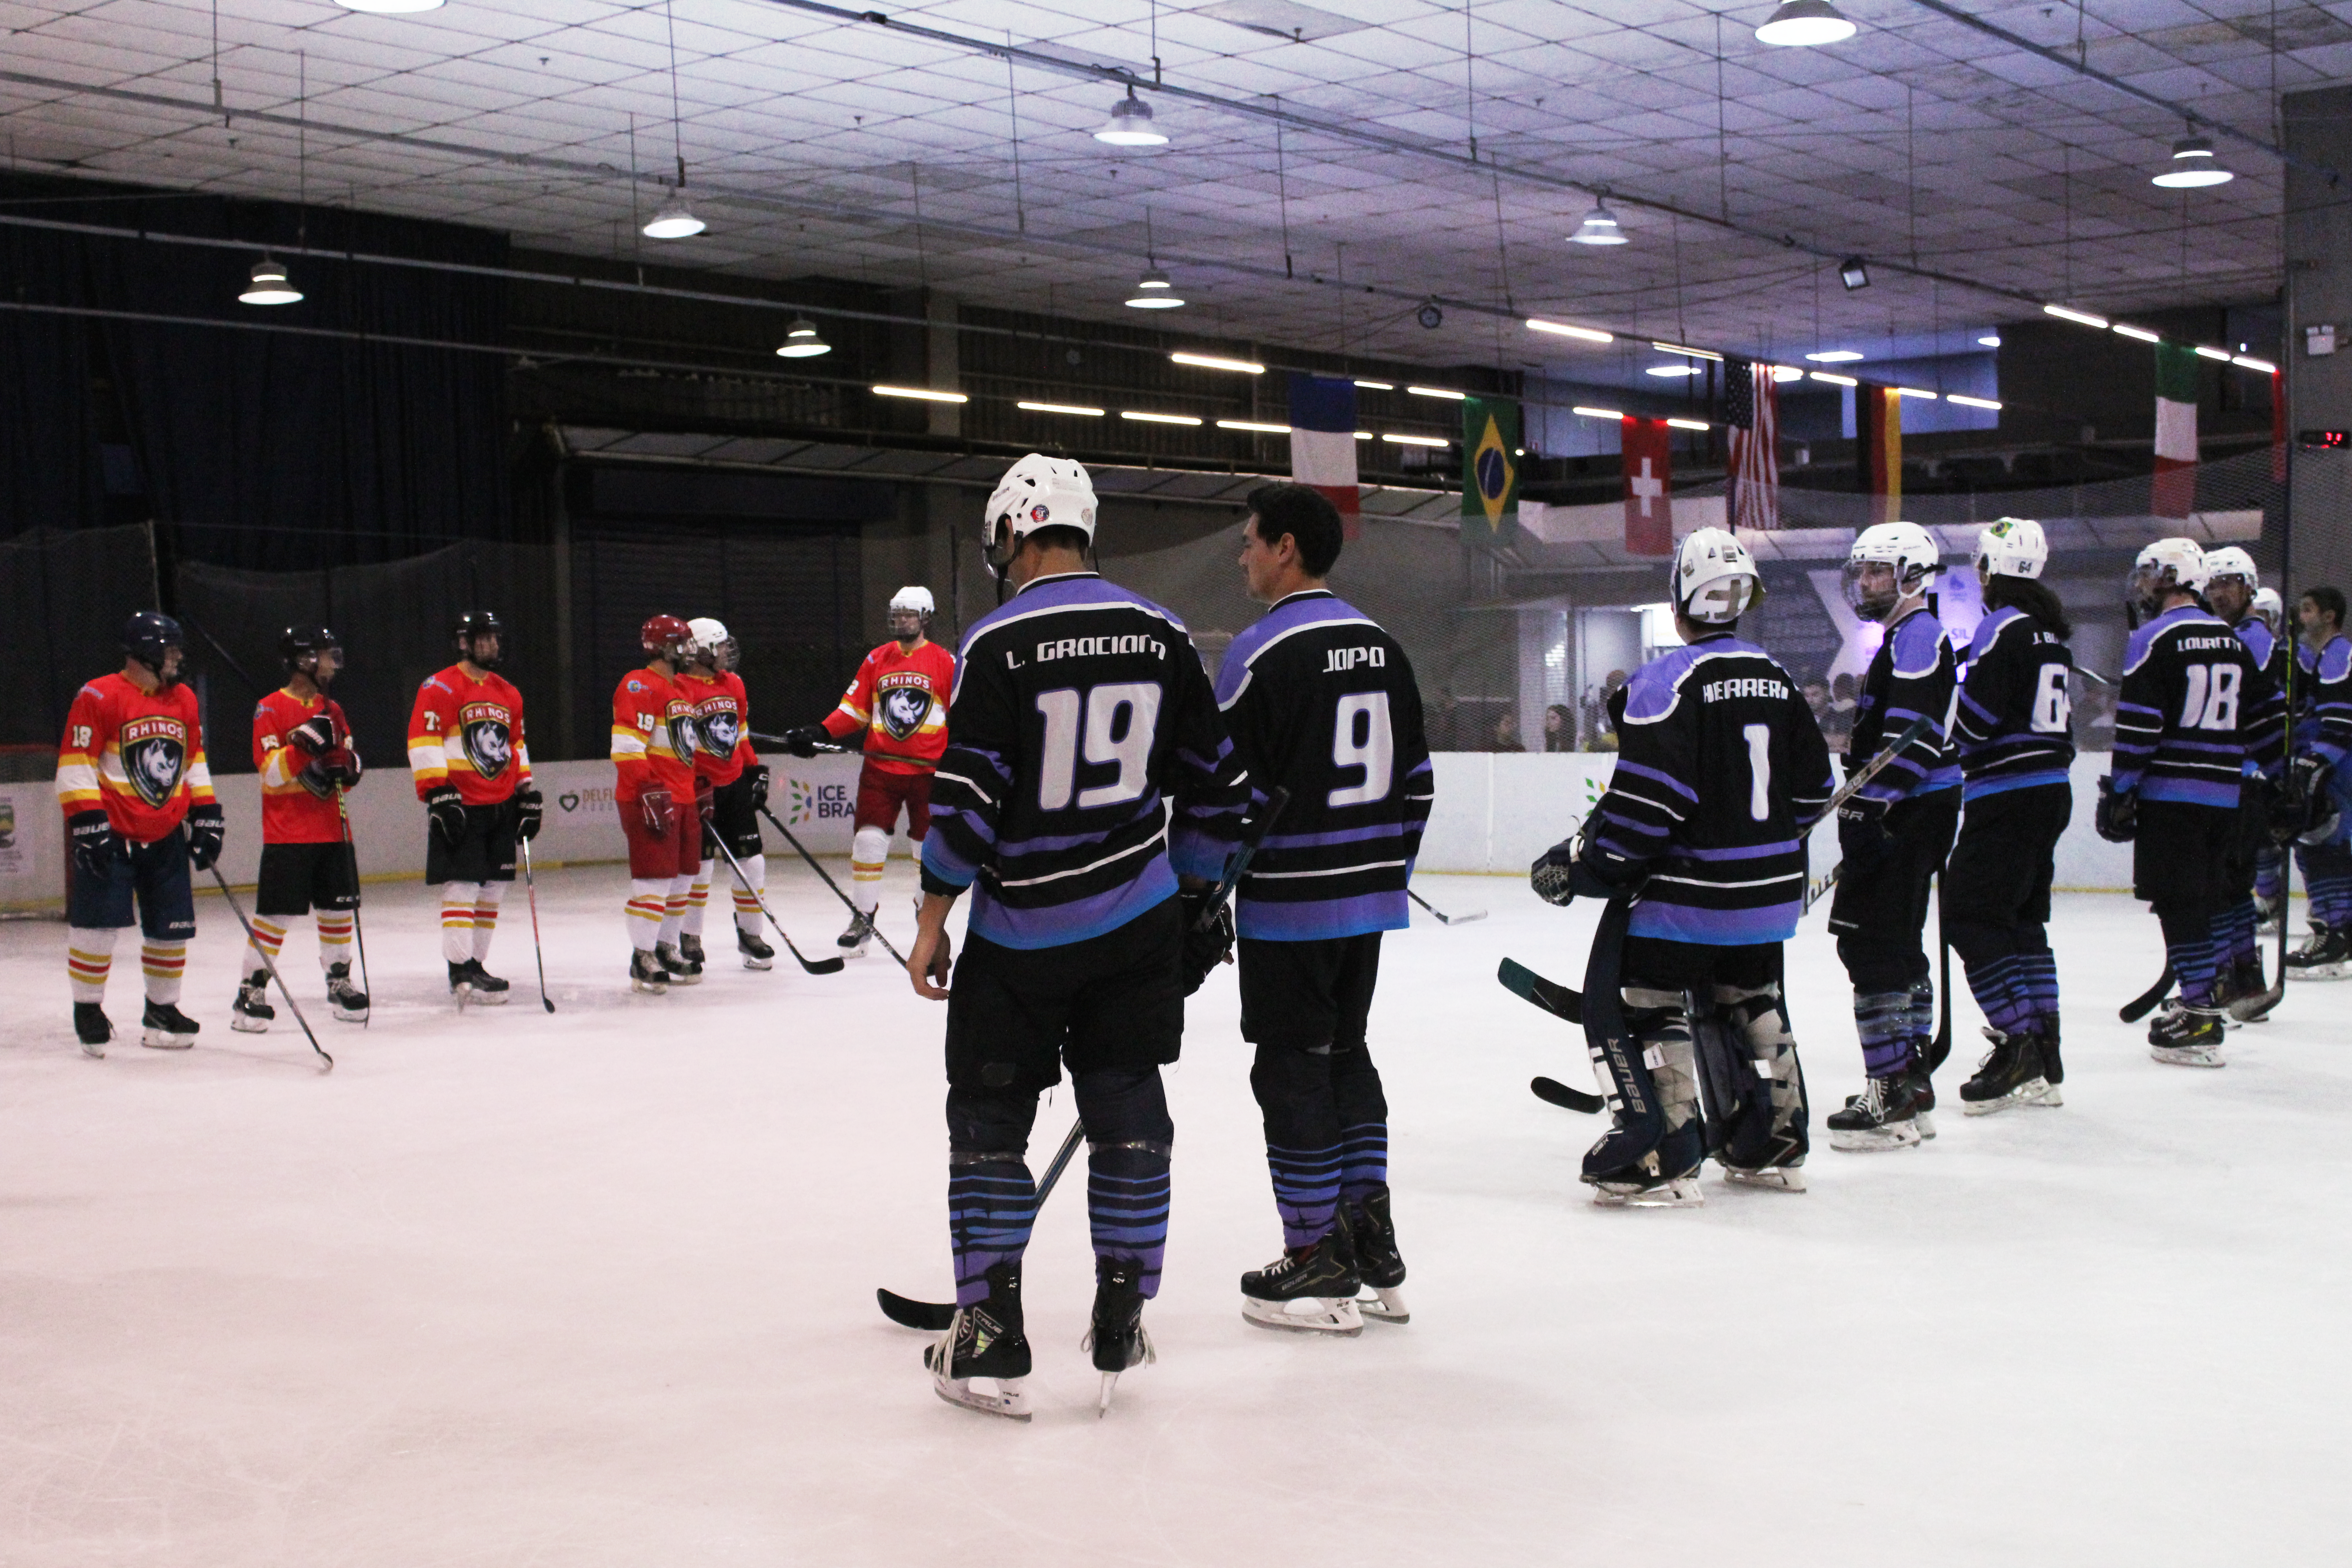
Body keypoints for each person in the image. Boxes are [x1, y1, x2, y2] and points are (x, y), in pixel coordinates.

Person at [906, 453, 1248, 1420]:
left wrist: (933, 920)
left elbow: (967, 806)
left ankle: (991, 1335)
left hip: (1018, 941)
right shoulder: (1163, 632)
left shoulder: (995, 642)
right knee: (1131, 1118)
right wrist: (1193, 898)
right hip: (1135, 929)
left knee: (987, 1127)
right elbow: (1219, 792)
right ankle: (1120, 1316)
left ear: (1013, 531)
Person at [1529, 529, 1835, 1205]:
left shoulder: (1665, 680)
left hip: (1689, 893)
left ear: (1679, 604)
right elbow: (1814, 793)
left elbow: (1648, 808)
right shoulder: (1779, 679)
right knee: (1751, 997)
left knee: (1646, 1002)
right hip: (1769, 892)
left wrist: (1591, 866)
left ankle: (1663, 1151)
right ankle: (1773, 1141)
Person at [1214, 483, 1433, 1333]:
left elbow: (1223, 791)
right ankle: (1365, 1233)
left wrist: (1199, 893)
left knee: (1288, 1065)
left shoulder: (1260, 652)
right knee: (1344, 1050)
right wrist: (1384, 869)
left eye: (1250, 541)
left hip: (1288, 905)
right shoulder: (1382, 645)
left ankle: (1313, 1258)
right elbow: (1414, 781)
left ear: (1286, 549)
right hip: (1364, 900)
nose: (1242, 555)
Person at [2095, 539, 2273, 1064]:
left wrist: (2122, 788)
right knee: (2206, 897)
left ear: (2175, 577)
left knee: (2178, 902)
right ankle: (2206, 1000)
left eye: (2151, 575)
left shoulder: (2152, 639)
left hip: (2171, 794)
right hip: (2226, 795)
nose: (2144, 586)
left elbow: (2141, 725)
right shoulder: (2232, 641)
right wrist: (2282, 779)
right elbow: (2266, 715)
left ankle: (2199, 1013)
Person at [1823, 521, 1962, 1152]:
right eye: (1865, 571)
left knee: (1874, 946)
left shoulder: (1918, 636)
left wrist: (1870, 809)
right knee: (1897, 945)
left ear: (1911, 574)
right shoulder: (1908, 637)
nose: (1868, 582)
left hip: (1906, 810)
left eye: (1879, 571)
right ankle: (1910, 1085)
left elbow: (1911, 740)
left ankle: (1890, 1090)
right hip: (1913, 809)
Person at [1942, 520, 2073, 1114]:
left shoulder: (2000, 629)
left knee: (1970, 917)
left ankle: (2016, 1039)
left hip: (2007, 795)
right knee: (2022, 922)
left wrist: (1947, 714)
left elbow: (1972, 725)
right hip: (2048, 792)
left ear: (1991, 571)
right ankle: (2046, 1051)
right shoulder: (2049, 633)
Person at [56, 612, 224, 1054]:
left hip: (165, 834)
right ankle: (88, 1009)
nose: (178, 658)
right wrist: (87, 822)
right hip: (112, 835)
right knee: (98, 924)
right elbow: (75, 763)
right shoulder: (99, 695)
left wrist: (206, 812)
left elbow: (193, 760)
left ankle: (161, 1010)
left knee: (172, 927)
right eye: (170, 651)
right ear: (146, 652)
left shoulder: (183, 698)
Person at [783, 586, 956, 956]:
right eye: (898, 614)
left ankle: (926, 921)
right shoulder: (876, 660)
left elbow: (961, 718)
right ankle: (862, 916)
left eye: (909, 614)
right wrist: (821, 730)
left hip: (929, 772)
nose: (902, 620)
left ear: (926, 617)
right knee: (868, 841)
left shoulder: (946, 663)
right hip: (881, 769)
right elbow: (855, 711)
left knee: (927, 851)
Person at [235, 625, 367, 1033]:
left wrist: (351, 767)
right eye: (325, 655)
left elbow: (349, 755)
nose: (331, 663)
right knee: (274, 917)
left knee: (338, 910)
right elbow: (271, 774)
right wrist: (303, 747)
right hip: (288, 834)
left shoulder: (333, 708)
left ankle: (339, 980)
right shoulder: (269, 709)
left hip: (333, 830)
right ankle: (250, 990)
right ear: (303, 660)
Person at [409, 611, 539, 1005]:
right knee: (462, 885)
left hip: (501, 803)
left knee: (494, 886)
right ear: (464, 642)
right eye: (485, 639)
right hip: (462, 804)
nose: (493, 646)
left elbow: (514, 745)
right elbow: (423, 740)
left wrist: (527, 791)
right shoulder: (440, 687)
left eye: (496, 639)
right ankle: (459, 967)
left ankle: (477, 965)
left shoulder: (508, 692)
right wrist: (438, 793)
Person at [2201, 547, 2289, 1014]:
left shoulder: (2249, 638)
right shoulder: (2238, 634)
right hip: (2244, 776)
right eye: (2212, 585)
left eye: (2228, 583)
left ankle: (2221, 977)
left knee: (2218, 883)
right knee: (2232, 885)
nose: (2218, 593)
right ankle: (2243, 974)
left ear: (2250, 587)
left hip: (2245, 777)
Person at [612, 614, 704, 993]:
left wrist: (702, 785)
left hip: (683, 796)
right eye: (681, 644)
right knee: (654, 879)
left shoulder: (683, 687)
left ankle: (666, 947)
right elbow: (627, 747)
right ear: (663, 648)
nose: (689, 651)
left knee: (684, 877)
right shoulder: (638, 685)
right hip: (649, 797)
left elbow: (684, 746)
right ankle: (642, 955)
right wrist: (650, 788)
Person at [677, 618, 775, 970]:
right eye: (718, 646)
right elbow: (677, 745)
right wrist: (689, 783)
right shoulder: (679, 687)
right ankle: (689, 936)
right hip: (697, 791)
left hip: (733, 786)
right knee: (698, 869)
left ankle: (751, 934)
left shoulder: (733, 683)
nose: (725, 653)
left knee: (752, 863)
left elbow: (741, 733)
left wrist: (754, 770)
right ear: (700, 651)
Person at [2283, 586, 2352, 977]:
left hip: (2340, 765)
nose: (2301, 616)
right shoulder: (2321, 656)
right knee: (2328, 844)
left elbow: (2340, 723)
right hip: (2337, 761)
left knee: (2321, 842)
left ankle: (2333, 932)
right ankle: (2341, 931)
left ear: (2329, 616)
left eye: (2308, 610)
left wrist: (2315, 764)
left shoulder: (2339, 653)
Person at [2249, 586, 2290, 932]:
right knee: (2261, 836)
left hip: (2286, 756)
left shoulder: (2291, 656)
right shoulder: (2243, 650)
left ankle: (2328, 915)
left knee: (2305, 835)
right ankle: (2269, 900)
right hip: (2256, 758)